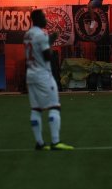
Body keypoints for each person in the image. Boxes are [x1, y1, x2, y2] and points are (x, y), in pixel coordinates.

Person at [24, 9, 74, 151]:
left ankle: (39, 143)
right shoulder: (41, 34)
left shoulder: (27, 34)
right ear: (38, 19)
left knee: (36, 109)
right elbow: (47, 56)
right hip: (43, 75)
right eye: (44, 17)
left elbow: (36, 49)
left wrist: (50, 40)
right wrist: (49, 44)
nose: (46, 20)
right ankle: (55, 142)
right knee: (54, 106)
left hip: (31, 75)